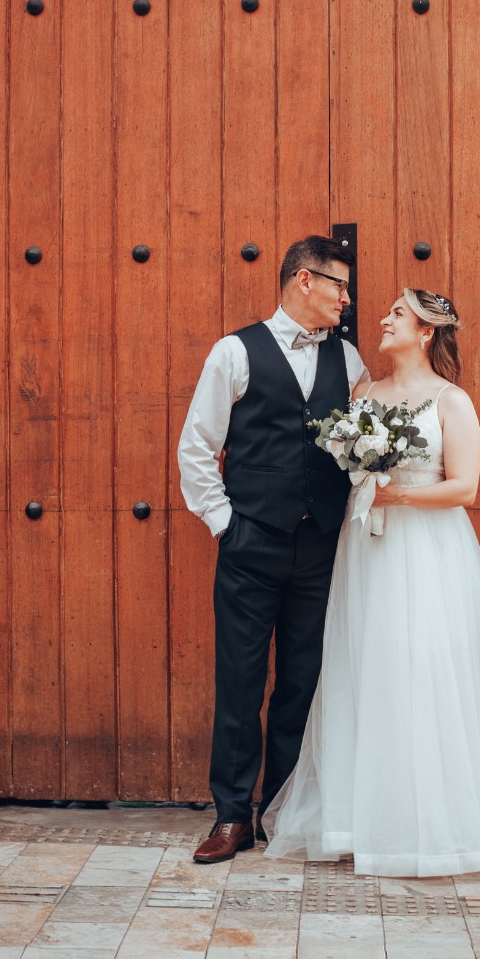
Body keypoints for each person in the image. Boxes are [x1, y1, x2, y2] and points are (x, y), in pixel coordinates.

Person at [263, 287, 480, 877]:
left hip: (427, 552)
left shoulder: (451, 400)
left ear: (425, 334)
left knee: (425, 670)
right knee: (367, 669)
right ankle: (363, 821)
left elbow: (465, 488)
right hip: (367, 548)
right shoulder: (364, 392)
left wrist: (401, 493)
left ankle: (440, 825)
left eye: (398, 314)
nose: (385, 320)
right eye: (389, 312)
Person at [177, 235, 370, 864]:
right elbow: (198, 447)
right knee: (240, 680)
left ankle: (285, 812)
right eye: (338, 285)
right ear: (303, 281)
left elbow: (362, 447)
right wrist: (226, 525)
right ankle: (232, 817)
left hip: (319, 547)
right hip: (251, 544)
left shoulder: (350, 359)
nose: (346, 297)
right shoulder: (234, 352)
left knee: (302, 682)